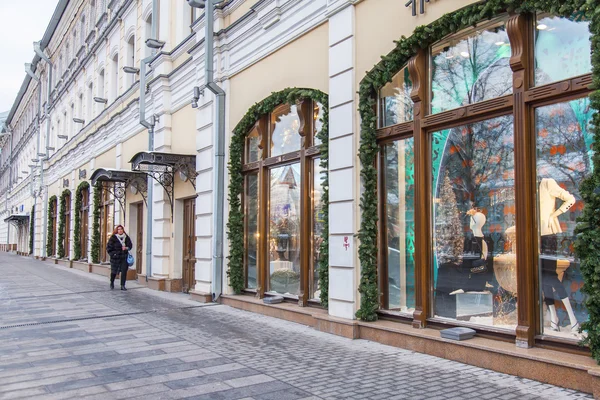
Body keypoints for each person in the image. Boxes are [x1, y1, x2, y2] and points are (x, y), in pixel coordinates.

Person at [106, 225, 133, 291]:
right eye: (118, 229)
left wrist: (126, 248)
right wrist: (113, 254)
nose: (120, 230)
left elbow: (130, 245)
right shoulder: (113, 237)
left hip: (124, 257)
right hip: (115, 258)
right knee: (114, 272)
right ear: (116, 230)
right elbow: (109, 248)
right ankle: (112, 282)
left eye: (121, 229)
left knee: (124, 271)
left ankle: (122, 285)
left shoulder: (126, 237)